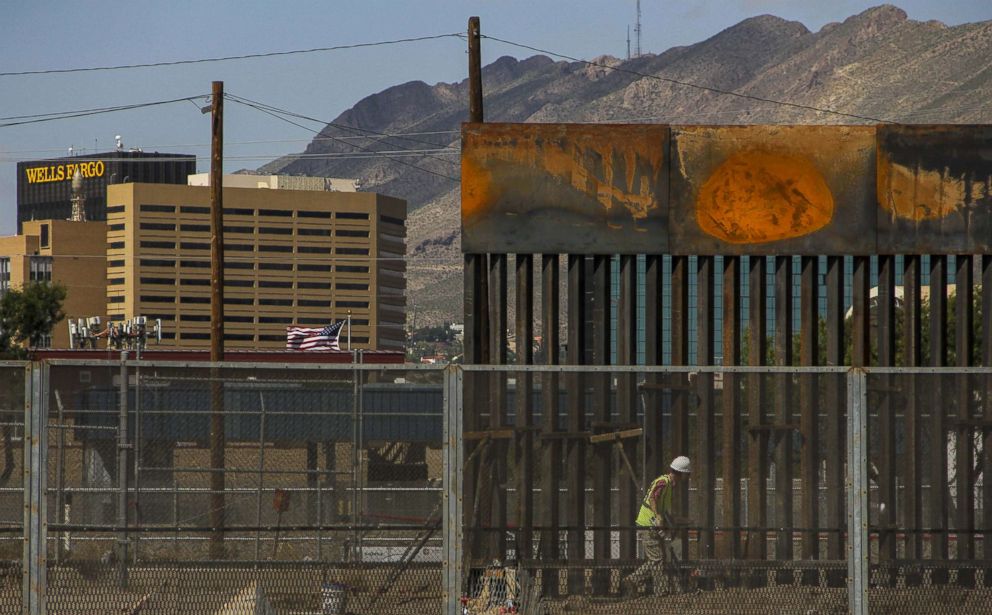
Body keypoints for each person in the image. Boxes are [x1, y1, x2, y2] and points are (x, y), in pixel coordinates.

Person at [622, 455, 691, 597]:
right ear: (681, 473)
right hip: (648, 524)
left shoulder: (668, 485)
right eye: (686, 475)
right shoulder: (663, 482)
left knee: (658, 559)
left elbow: (663, 508)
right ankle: (658, 591)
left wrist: (669, 522)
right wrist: (657, 516)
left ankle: (635, 581)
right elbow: (653, 497)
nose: (686, 478)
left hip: (652, 525)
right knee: (657, 559)